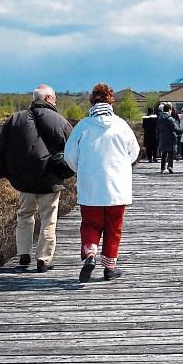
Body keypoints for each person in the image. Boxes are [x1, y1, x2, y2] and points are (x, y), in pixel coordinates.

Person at [0, 84, 73, 272]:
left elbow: (1, 149)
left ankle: (23, 255)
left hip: (24, 180)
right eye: (54, 97)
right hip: (50, 179)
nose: (56, 101)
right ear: (47, 99)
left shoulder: (15, 119)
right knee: (48, 219)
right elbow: (73, 149)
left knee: (25, 215)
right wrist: (70, 171)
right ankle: (43, 260)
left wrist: (2, 171)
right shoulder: (59, 120)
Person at [64, 83, 140, 282]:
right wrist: (122, 167)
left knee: (90, 223)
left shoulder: (83, 126)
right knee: (114, 227)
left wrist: (82, 170)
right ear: (111, 101)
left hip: (90, 187)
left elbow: (69, 155)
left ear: (92, 101)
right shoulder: (121, 125)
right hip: (117, 187)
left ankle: (90, 254)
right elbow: (134, 153)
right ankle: (109, 267)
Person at [156, 103, 181, 173]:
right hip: (170, 137)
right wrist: (180, 131)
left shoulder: (159, 118)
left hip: (162, 137)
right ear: (169, 109)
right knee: (171, 153)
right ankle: (170, 166)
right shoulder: (170, 119)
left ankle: (162, 168)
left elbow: (157, 128)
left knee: (164, 154)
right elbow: (175, 128)